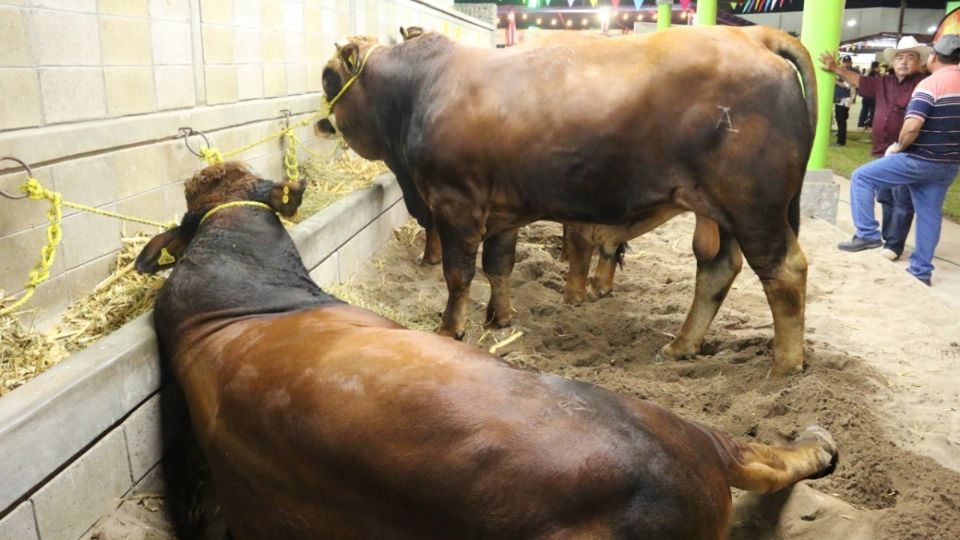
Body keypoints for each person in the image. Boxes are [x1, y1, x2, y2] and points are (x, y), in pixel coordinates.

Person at [834, 34, 960, 286]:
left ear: (932, 57)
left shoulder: (929, 84)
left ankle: (868, 233)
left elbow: (912, 126)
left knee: (862, 177)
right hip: (948, 164)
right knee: (929, 215)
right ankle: (921, 271)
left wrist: (899, 147)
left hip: (918, 157)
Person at [821, 37, 929, 261]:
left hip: (907, 150)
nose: (904, 62)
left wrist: (902, 144)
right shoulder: (884, 82)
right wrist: (835, 68)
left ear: (919, 63)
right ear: (893, 61)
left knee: (902, 199)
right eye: (900, 57)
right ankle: (886, 238)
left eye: (911, 57)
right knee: (887, 197)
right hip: (882, 151)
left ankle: (894, 245)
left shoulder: (923, 83)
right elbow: (859, 81)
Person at [831, 55, 855, 146]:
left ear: (850, 62)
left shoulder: (851, 72)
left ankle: (841, 141)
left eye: (847, 62)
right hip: (840, 98)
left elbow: (846, 86)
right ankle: (840, 136)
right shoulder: (843, 70)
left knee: (841, 119)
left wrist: (833, 81)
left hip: (845, 98)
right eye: (844, 62)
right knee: (840, 118)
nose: (845, 64)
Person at [857, 61, 880, 129]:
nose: (879, 68)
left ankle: (861, 123)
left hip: (866, 95)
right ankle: (870, 124)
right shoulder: (876, 75)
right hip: (872, 96)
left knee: (864, 110)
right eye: (879, 67)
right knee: (873, 111)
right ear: (876, 67)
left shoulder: (867, 73)